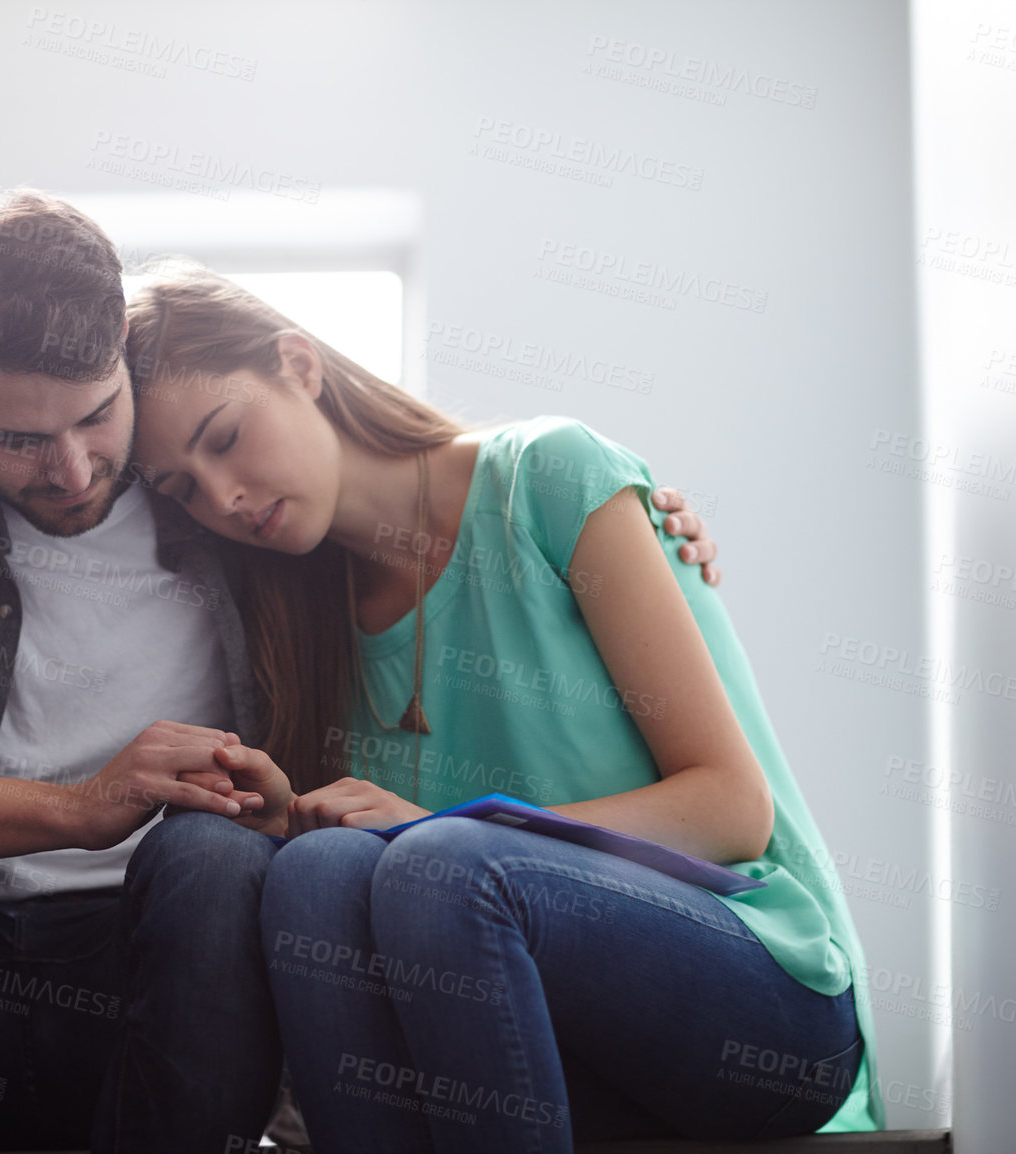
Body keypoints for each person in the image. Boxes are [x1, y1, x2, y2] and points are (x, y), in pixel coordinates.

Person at [0, 188, 721, 1153]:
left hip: (166, 981)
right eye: (14, 437)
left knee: (208, 854)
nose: (71, 469)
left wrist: (634, 513)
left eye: (98, 413)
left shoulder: (221, 493)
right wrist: (79, 804)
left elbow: (417, 489)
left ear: (124, 354)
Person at [124, 263, 884, 1153]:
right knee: (316, 869)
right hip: (534, 1049)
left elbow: (731, 810)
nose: (224, 498)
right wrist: (291, 812)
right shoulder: (296, 627)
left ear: (299, 364)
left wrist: (442, 828)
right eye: (182, 488)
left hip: (753, 1006)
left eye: (225, 438)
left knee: (438, 862)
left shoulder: (547, 477)